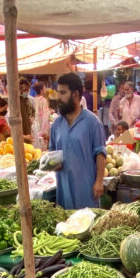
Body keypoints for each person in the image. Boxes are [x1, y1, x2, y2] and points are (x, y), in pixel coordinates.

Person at [49, 72, 106, 209]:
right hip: (63, 189)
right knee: (66, 220)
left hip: (86, 188)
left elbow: (100, 153)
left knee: (87, 220)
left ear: (75, 94)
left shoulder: (92, 122)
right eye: (58, 92)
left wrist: (99, 181)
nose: (59, 97)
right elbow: (52, 151)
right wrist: (53, 163)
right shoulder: (56, 124)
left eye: (63, 93)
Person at [31, 82, 52, 150]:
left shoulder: (33, 99)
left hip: (34, 127)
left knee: (35, 145)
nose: (45, 89)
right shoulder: (43, 100)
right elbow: (45, 116)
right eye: (44, 88)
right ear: (41, 90)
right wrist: (45, 132)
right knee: (42, 145)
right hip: (42, 125)